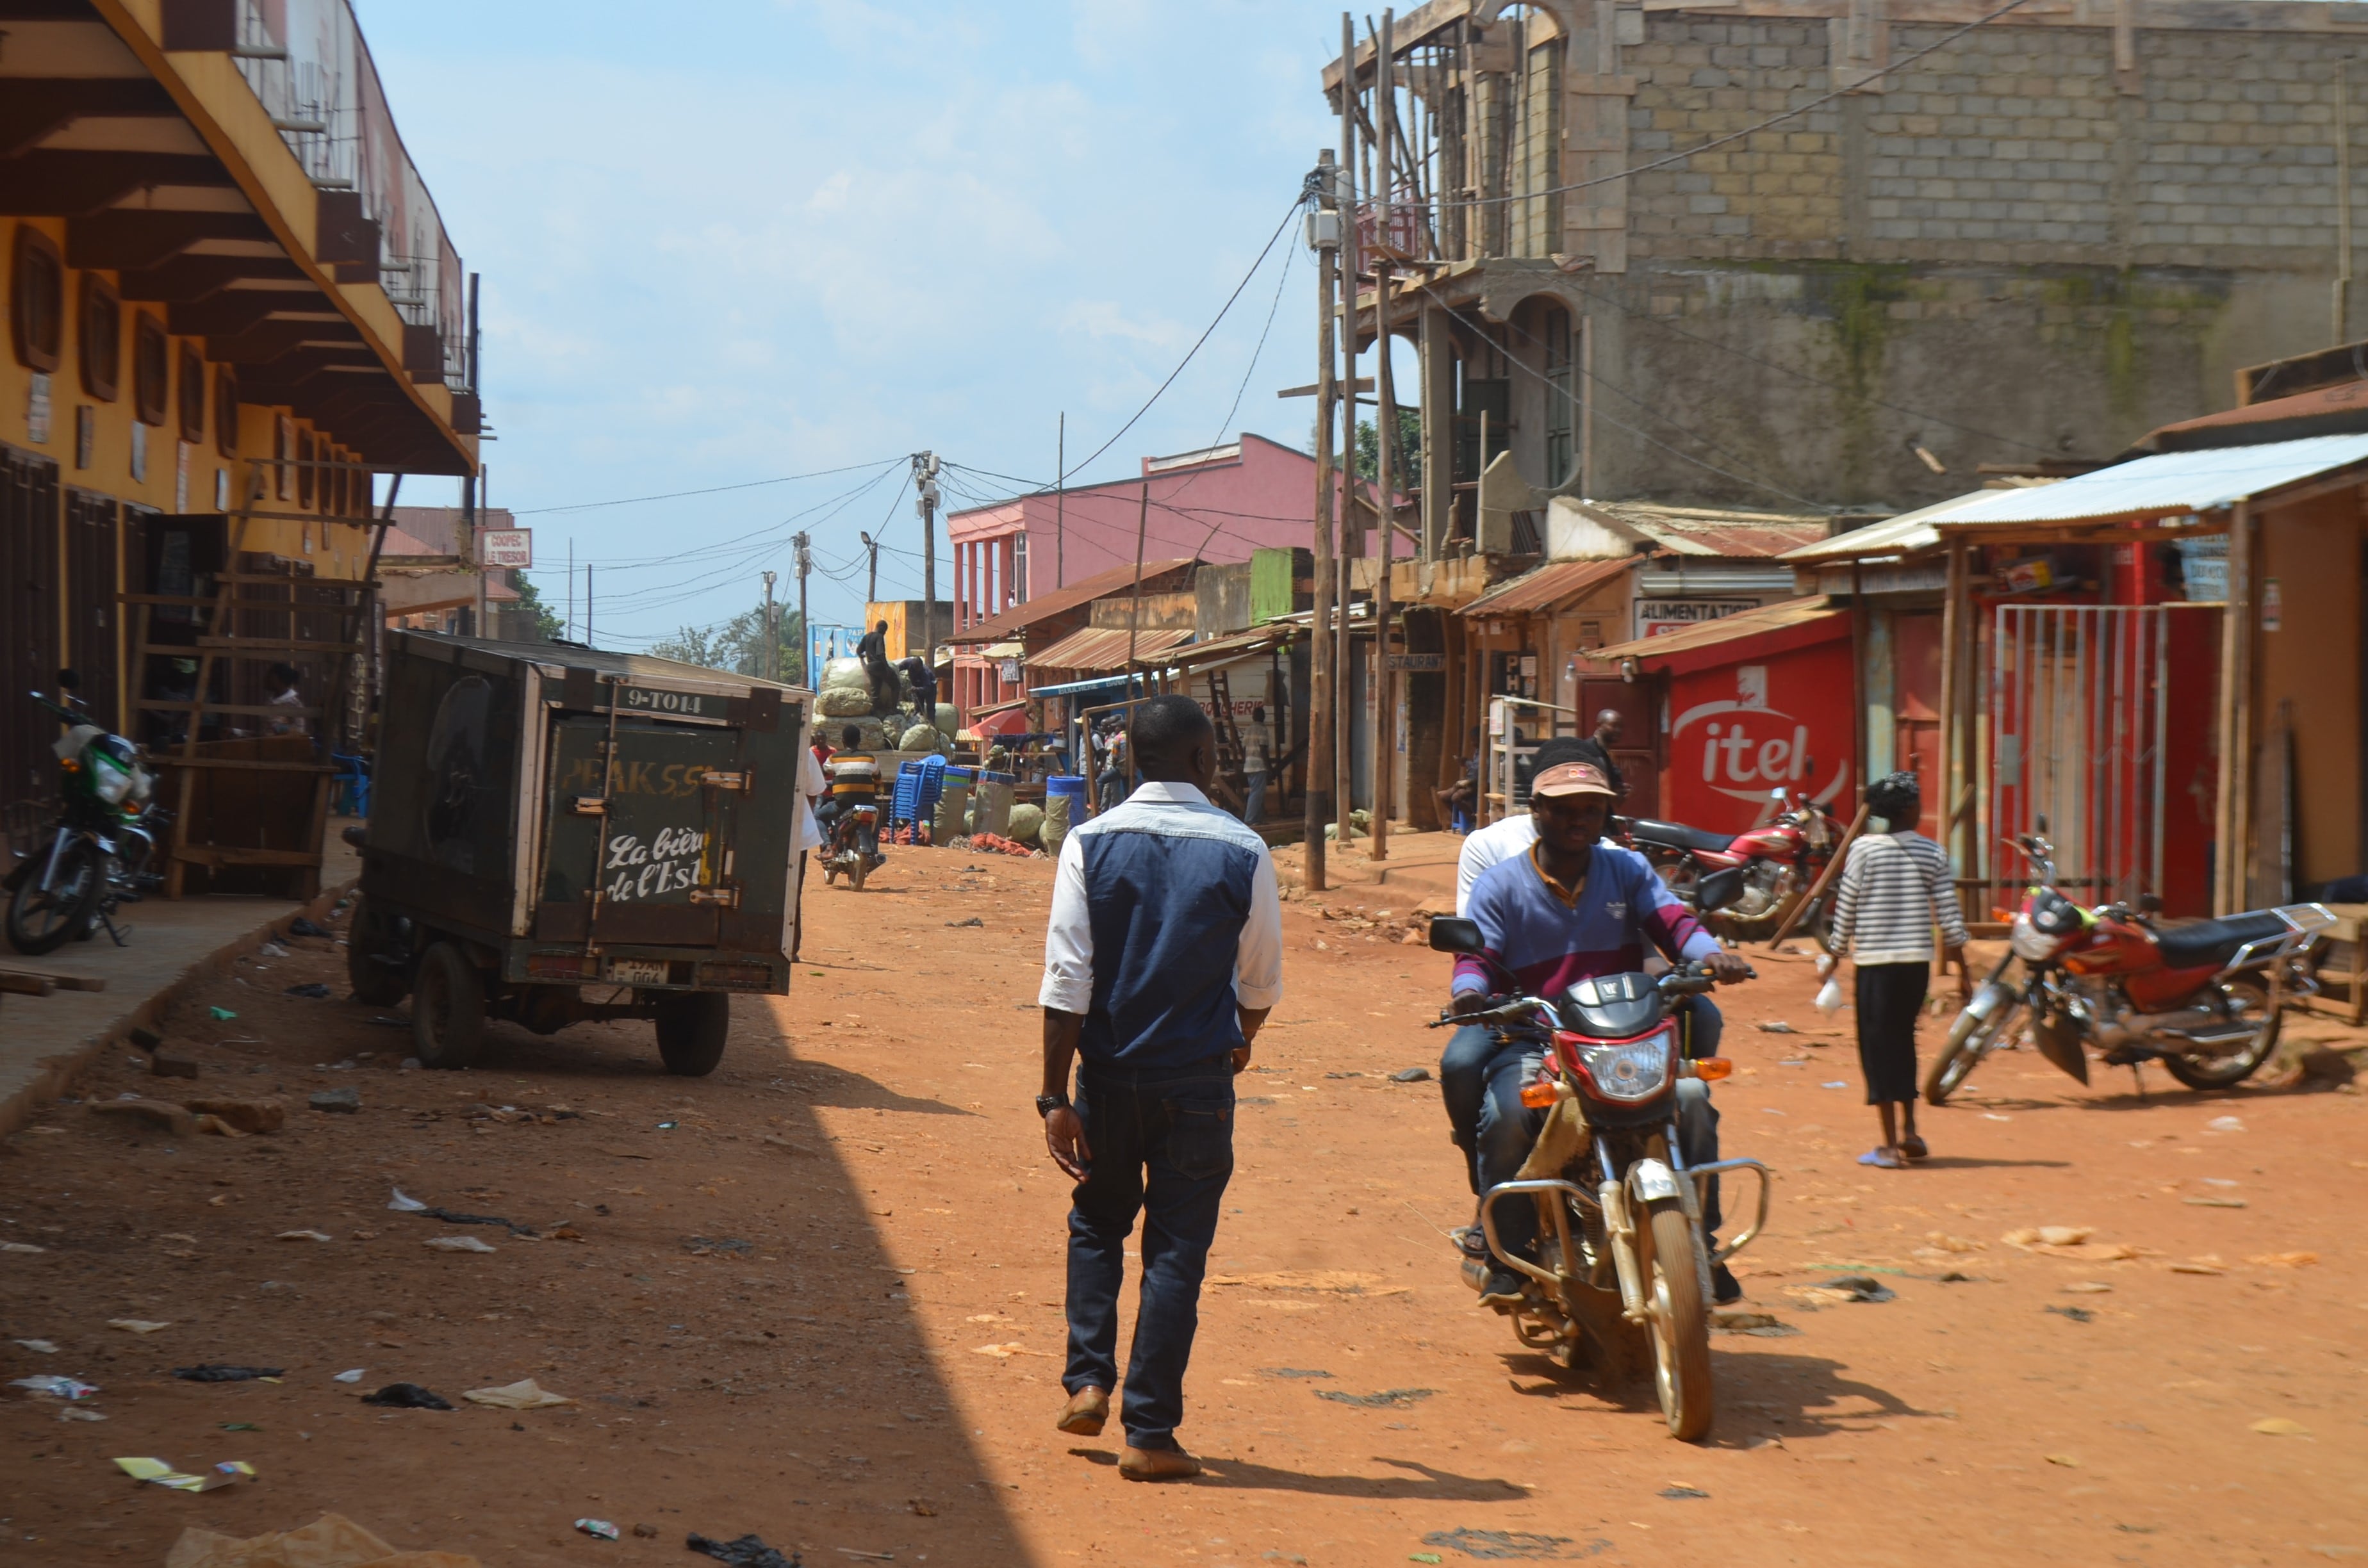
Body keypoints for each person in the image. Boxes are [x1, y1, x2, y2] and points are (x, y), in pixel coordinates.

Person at [1037, 695, 1282, 1481]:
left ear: (1132, 760)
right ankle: (1149, 1433)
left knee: (1098, 1223)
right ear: (1203, 760)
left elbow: (1067, 978)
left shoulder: (1089, 842)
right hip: (1198, 1085)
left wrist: (1054, 1098)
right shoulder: (1243, 849)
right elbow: (1261, 979)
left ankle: (1086, 1378)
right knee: (1176, 1254)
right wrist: (1239, 1042)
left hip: (1107, 1080)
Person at [1450, 760, 1751, 1309]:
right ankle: (1505, 1254)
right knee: (1509, 1116)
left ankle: (1700, 1244)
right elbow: (1477, 955)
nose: (1577, 820)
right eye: (1563, 809)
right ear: (1537, 812)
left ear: (1606, 815)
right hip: (1538, 1035)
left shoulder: (1628, 870)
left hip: (1626, 1037)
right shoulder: (1501, 884)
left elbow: (1676, 924)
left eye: (1591, 810)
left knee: (1692, 1098)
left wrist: (1713, 956)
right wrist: (1470, 991)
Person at [1827, 772, 1971, 1169]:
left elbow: (1847, 907)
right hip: (1914, 966)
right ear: (1909, 809)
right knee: (1904, 1042)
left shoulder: (1864, 850)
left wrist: (1835, 955)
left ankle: (1888, 1146)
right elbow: (1950, 921)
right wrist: (1963, 973)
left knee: (1877, 1050)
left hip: (1876, 965)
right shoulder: (1933, 853)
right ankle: (1910, 1132)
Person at [787, 726, 828, 958]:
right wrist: (802, 816)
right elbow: (815, 790)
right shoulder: (804, 751)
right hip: (797, 834)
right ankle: (790, 948)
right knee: (793, 890)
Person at [816, 723, 880, 854]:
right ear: (860, 741)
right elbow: (878, 780)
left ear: (843, 741)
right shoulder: (870, 758)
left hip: (843, 805)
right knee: (875, 821)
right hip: (866, 804)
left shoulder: (834, 758)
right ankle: (874, 852)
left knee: (818, 817)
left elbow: (821, 774)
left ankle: (827, 847)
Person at [1574, 708, 1626, 799]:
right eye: (1614, 726)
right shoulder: (1588, 750)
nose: (1618, 730)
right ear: (1599, 725)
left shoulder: (1607, 752)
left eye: (1620, 727)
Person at [1238, 705, 1270, 826]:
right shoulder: (1262, 729)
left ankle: (1258, 819)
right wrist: (1269, 767)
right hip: (1259, 766)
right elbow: (1263, 749)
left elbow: (1244, 748)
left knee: (1257, 792)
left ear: (1253, 717)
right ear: (1263, 717)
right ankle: (1251, 819)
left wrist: (1245, 761)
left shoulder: (1249, 729)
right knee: (1257, 793)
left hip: (1249, 765)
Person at [855, 620, 896, 713]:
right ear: (882, 628)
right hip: (878, 665)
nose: (885, 633)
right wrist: (887, 667)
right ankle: (893, 709)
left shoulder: (867, 637)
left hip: (870, 667)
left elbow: (858, 650)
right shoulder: (879, 637)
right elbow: (880, 653)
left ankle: (874, 712)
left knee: (875, 693)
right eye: (885, 630)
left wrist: (861, 656)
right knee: (896, 685)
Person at [265, 662, 307, 737]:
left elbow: (299, 730)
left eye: (271, 677)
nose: (267, 679)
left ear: (281, 680)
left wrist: (278, 728)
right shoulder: (270, 701)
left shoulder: (294, 704)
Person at [896, 653, 937, 722]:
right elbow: (897, 669)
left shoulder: (925, 673)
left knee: (930, 708)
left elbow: (927, 688)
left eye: (919, 668)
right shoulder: (908, 663)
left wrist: (917, 689)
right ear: (913, 666)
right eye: (917, 668)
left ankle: (931, 724)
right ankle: (919, 722)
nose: (918, 670)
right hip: (917, 688)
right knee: (918, 708)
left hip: (930, 689)